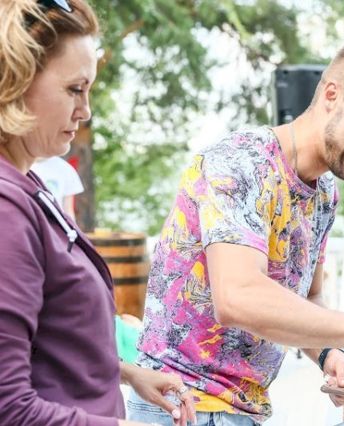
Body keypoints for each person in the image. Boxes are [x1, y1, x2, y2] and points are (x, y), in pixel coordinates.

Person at [128, 42, 344, 425]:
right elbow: (238, 298)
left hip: (243, 411)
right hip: (181, 405)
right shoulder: (240, 162)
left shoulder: (324, 194)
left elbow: (308, 297)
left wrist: (329, 353)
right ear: (331, 95)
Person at [0, 1, 197, 425]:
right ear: (16, 80)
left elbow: (47, 343)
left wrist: (124, 372)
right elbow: (9, 408)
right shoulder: (6, 210)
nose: (85, 110)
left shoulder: (29, 184)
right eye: (75, 89)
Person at [31, 156, 84, 220]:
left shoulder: (65, 169)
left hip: (53, 222)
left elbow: (68, 209)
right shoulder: (22, 165)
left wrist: (71, 225)